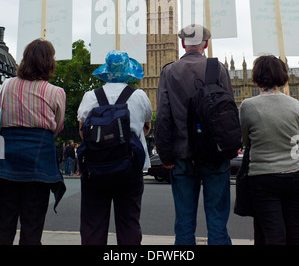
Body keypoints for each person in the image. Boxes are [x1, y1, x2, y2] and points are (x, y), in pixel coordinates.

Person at [155, 24, 233, 245]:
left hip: (182, 155)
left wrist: (165, 155)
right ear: (205, 43)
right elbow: (228, 113)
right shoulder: (218, 68)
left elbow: (163, 117)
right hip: (215, 156)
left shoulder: (169, 71)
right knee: (217, 221)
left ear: (183, 43)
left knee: (184, 222)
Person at [77, 50, 152, 245]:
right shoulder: (139, 96)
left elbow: (82, 132)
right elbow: (146, 127)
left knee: (93, 224)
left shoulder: (90, 96)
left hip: (95, 169)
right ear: (128, 72)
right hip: (129, 168)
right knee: (129, 224)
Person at [0, 38, 66, 245]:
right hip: (39, 165)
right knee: (32, 226)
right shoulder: (56, 92)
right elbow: (58, 127)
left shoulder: (6, 85)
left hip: (6, 162)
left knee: (3, 225)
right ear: (49, 63)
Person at [239, 55, 299, 245]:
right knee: (294, 231)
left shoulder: (247, 106)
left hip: (262, 177)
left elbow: (246, 142)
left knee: (271, 232)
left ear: (256, 76)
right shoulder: (296, 105)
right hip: (294, 175)